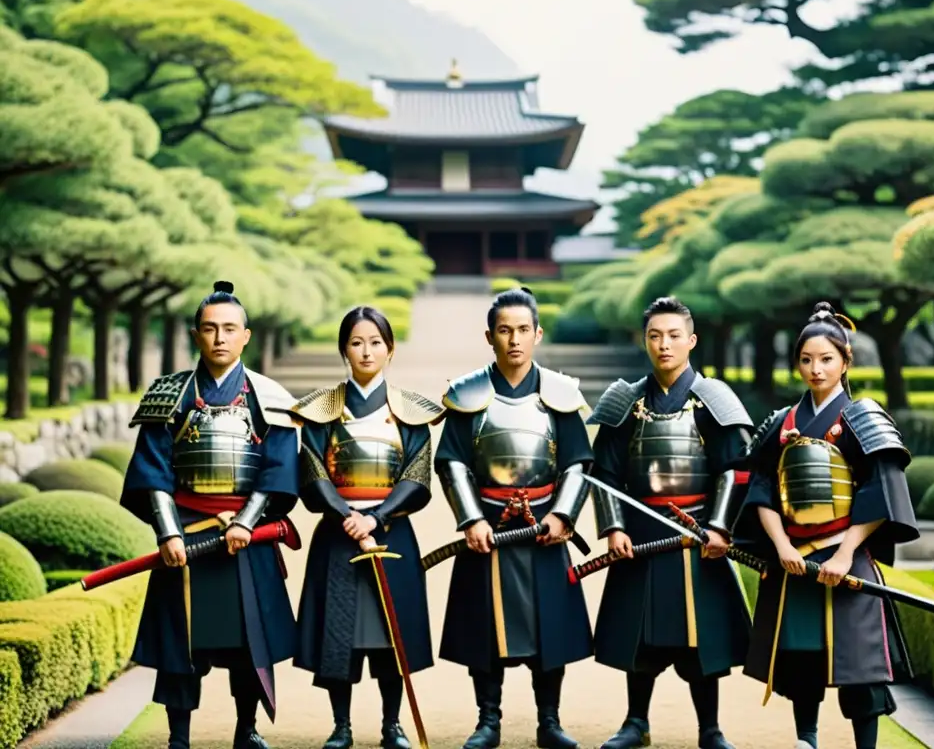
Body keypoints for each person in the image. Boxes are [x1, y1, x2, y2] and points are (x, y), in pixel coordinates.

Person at [120, 281, 301, 749]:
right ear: (195, 335)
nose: (219, 338)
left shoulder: (270, 396)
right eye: (209, 329)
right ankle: (178, 736)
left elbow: (280, 470)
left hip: (248, 536)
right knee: (181, 645)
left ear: (247, 335)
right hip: (186, 537)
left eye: (229, 329)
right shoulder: (169, 394)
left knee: (248, 643)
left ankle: (247, 730)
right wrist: (168, 532)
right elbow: (152, 469)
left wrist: (247, 520)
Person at [736, 301, 919, 749]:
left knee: (861, 668)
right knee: (802, 660)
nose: (815, 370)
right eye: (806, 360)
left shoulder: (864, 418)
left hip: (846, 558)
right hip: (794, 560)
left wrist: (843, 554)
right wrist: (781, 546)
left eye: (826, 359)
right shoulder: (781, 423)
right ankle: (807, 739)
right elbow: (760, 489)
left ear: (845, 361)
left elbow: (881, 492)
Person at [588, 297, 754, 749]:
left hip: (697, 534)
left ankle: (710, 728)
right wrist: (614, 527)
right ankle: (635, 722)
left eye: (674, 335)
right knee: (639, 638)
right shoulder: (624, 400)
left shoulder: (714, 399)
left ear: (691, 340)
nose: (664, 345)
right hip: (640, 533)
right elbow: (603, 472)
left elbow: (736, 469)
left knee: (703, 642)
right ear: (644, 340)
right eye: (655, 336)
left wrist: (720, 526)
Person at [434, 288, 594, 749]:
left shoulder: (560, 394)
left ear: (537, 333)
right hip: (489, 523)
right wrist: (470, 519)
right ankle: (488, 720)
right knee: (485, 628)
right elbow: (453, 463)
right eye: (504, 330)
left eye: (523, 330)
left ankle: (550, 720)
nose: (515, 340)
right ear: (490, 336)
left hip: (544, 525)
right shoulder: (468, 395)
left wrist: (564, 513)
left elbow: (578, 463)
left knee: (551, 631)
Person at [286, 306, 441, 749]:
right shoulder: (322, 411)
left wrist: (376, 516)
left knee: (392, 633)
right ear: (344, 350)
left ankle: (392, 724)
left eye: (375, 342)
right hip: (339, 532)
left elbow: (417, 475)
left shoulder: (410, 412)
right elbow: (313, 473)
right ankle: (342, 724)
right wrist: (346, 516)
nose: (366, 350)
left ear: (390, 350)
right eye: (356, 342)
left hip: (391, 531)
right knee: (341, 633)